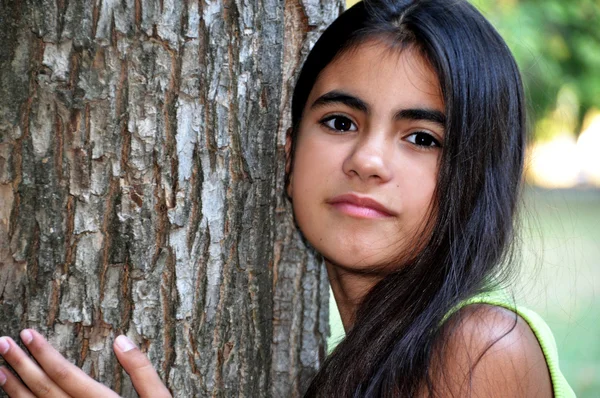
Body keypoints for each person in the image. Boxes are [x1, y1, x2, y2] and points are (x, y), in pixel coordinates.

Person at [0, 0, 575, 396]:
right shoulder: (364, 353)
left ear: (478, 173)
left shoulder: (479, 349)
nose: (367, 160)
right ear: (290, 146)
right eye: (341, 122)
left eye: (422, 138)